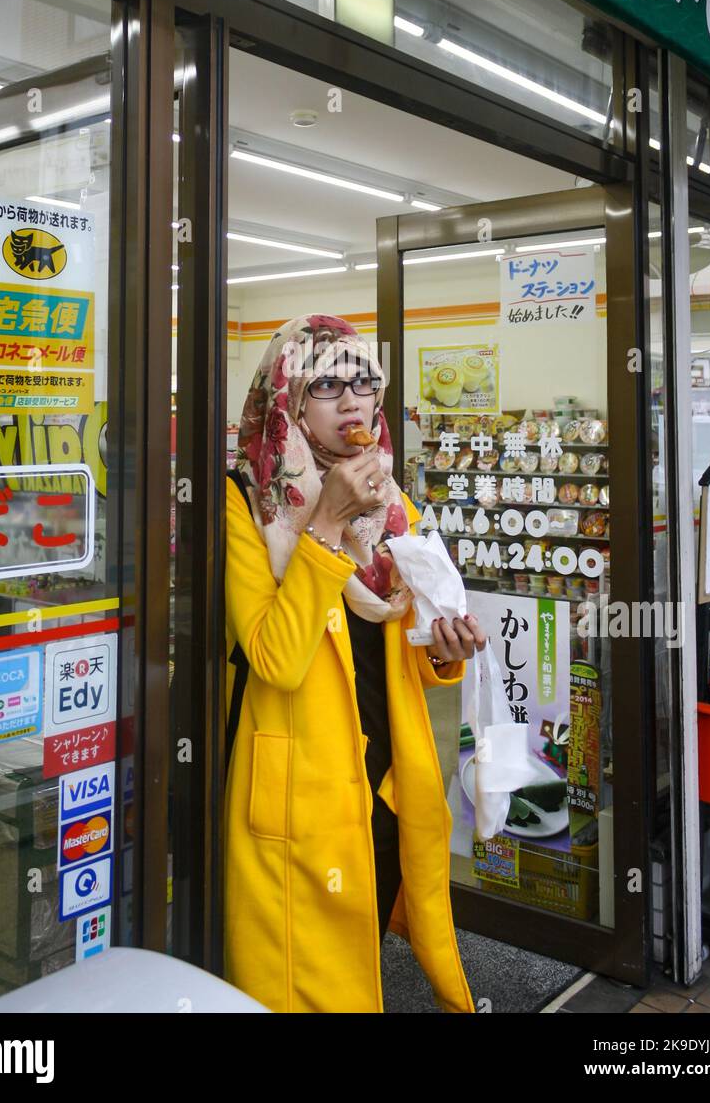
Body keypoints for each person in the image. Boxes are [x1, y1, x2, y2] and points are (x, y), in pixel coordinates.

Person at [223, 314, 487, 1013]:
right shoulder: (244, 499)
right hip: (296, 787)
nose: (351, 403)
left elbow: (402, 640)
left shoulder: (391, 504)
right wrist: (326, 523)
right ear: (285, 399)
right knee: (298, 980)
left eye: (363, 383)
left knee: (362, 943)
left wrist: (444, 651)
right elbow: (275, 659)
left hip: (380, 772)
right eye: (325, 386)